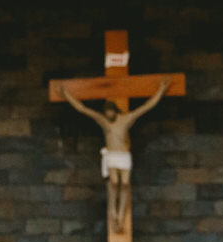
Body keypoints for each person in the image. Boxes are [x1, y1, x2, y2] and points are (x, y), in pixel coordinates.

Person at [62, 78, 171, 232]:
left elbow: (146, 107)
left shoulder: (125, 120)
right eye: (106, 112)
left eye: (110, 111)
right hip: (112, 155)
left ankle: (120, 215)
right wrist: (67, 94)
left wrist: (160, 90)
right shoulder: (104, 121)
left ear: (115, 110)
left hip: (124, 155)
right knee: (113, 183)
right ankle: (113, 214)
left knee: (125, 185)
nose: (108, 114)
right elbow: (83, 109)